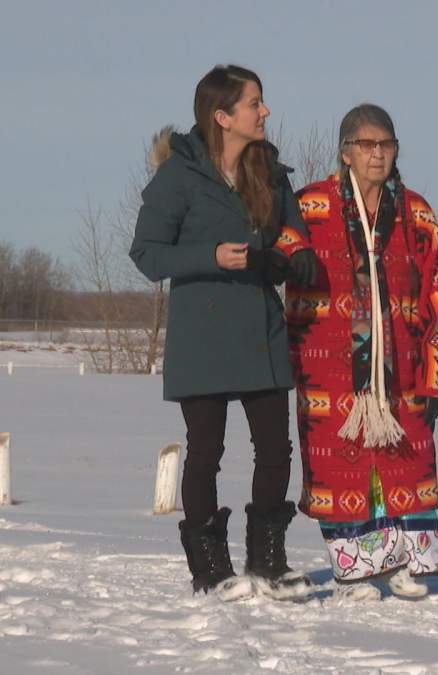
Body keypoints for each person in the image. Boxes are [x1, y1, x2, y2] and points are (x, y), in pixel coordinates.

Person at [130, 65, 319, 601]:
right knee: (206, 450)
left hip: (260, 327)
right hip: (202, 333)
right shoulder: (179, 176)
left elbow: (293, 233)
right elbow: (146, 254)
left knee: (277, 450)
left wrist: (293, 256)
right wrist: (208, 256)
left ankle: (268, 563)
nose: (265, 112)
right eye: (254, 103)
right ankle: (210, 568)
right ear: (222, 116)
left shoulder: (270, 171)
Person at [287, 103, 438, 601]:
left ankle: (406, 566)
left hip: (402, 364)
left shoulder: (415, 211)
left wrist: (435, 373)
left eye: (387, 145)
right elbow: (280, 263)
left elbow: (436, 292)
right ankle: (355, 569)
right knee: (341, 464)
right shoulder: (309, 206)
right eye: (368, 145)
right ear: (346, 151)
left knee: (406, 460)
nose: (378, 154)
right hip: (328, 365)